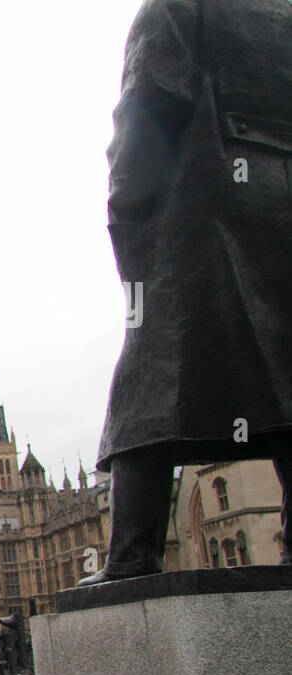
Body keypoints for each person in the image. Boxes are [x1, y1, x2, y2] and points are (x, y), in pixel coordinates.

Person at [80, 0, 292, 584]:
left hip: (203, 204)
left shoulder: (179, 6)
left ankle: (132, 553)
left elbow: (146, 109)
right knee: (285, 371)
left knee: (149, 378)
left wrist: (126, 201)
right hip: (280, 205)